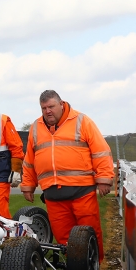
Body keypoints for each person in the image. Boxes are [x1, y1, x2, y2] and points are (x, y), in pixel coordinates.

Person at [21, 90, 114, 260]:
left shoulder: (81, 121)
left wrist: (104, 179)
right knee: (64, 239)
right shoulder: (35, 127)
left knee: (89, 233)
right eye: (43, 108)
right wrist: (27, 185)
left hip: (82, 192)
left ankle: (93, 268)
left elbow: (100, 150)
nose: (47, 111)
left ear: (61, 104)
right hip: (53, 194)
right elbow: (29, 160)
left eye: (51, 106)